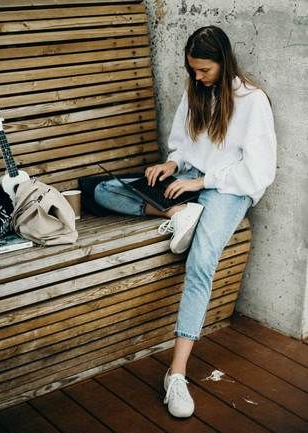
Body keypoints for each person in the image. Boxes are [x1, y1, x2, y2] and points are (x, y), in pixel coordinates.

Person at [94, 25, 276, 418]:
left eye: (204, 70)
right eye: (192, 69)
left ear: (223, 63)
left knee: (200, 261)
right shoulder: (195, 90)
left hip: (227, 189)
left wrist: (202, 181)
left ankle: (176, 374)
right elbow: (183, 143)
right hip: (188, 184)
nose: (196, 77)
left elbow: (259, 171)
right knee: (103, 191)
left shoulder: (252, 101)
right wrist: (170, 164)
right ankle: (176, 213)